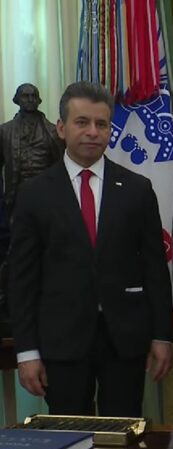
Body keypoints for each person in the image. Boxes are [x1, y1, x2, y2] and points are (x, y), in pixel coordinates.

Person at [8, 81, 173, 416]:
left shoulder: (138, 190)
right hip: (61, 341)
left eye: (101, 124)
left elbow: (155, 268)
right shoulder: (34, 194)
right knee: (69, 435)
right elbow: (22, 279)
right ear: (61, 128)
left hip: (125, 341)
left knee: (123, 433)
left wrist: (161, 336)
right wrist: (26, 352)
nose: (93, 132)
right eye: (82, 122)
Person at [0, 84, 65, 331]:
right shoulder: (4, 132)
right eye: (24, 96)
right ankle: (7, 303)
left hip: (48, 203)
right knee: (14, 254)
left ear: (39, 100)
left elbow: (61, 168)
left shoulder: (53, 132)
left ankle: (49, 302)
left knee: (50, 253)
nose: (29, 100)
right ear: (16, 99)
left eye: (33, 96)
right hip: (16, 202)